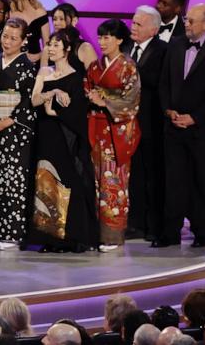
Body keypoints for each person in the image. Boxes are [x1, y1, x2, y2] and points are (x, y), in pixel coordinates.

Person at [155, 4, 205, 248]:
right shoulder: (175, 45)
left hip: (201, 129)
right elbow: (164, 83)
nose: (186, 24)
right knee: (173, 181)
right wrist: (168, 109)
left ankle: (201, 233)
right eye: (187, 20)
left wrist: (194, 117)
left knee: (200, 182)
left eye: (192, 21)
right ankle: (170, 233)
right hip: (173, 126)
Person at [26, 31, 98, 253]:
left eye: (57, 44)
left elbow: (77, 112)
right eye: (50, 44)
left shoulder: (76, 76)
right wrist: (54, 92)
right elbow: (34, 99)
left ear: (67, 49)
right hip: (44, 133)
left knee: (65, 182)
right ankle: (49, 237)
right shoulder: (44, 72)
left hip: (65, 136)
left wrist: (54, 111)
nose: (52, 48)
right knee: (44, 182)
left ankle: (69, 238)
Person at [85, 19, 140, 251]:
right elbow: (87, 86)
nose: (102, 42)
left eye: (107, 37)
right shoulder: (95, 66)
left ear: (119, 40)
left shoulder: (128, 66)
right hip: (96, 127)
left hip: (116, 130)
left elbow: (132, 101)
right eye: (100, 37)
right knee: (94, 180)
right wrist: (92, 97)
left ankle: (112, 236)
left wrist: (104, 101)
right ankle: (94, 232)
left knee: (113, 182)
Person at [0, 18, 37, 250]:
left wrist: (6, 121)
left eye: (13, 38)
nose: (7, 41)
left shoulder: (27, 67)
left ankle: (12, 234)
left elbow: (27, 103)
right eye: (5, 36)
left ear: (24, 41)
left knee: (12, 180)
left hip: (14, 130)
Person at [126, 6, 168, 241]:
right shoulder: (126, 48)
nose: (133, 27)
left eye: (139, 24)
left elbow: (160, 83)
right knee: (135, 175)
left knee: (153, 174)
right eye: (133, 22)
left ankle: (154, 224)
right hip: (128, 123)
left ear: (153, 29)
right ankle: (135, 223)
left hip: (151, 122)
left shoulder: (163, 50)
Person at [6, 0, 50, 66]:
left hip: (36, 67)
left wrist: (39, 55)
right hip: (11, 66)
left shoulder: (40, 12)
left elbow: (48, 47)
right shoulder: (8, 12)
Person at [51, 4, 99, 72]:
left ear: (74, 21)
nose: (56, 23)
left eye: (62, 19)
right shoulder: (49, 48)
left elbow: (94, 78)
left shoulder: (85, 48)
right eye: (54, 19)